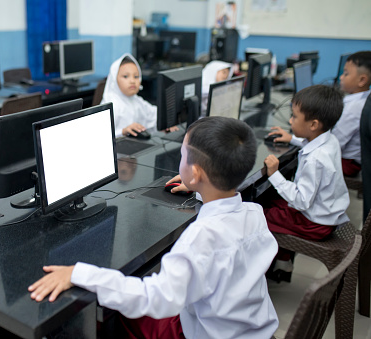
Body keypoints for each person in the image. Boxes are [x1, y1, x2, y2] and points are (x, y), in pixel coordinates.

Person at [28, 116, 279, 339]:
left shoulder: (201, 239)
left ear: (196, 172)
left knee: (120, 316)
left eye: (183, 156)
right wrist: (200, 187)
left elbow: (155, 298)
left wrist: (78, 274)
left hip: (206, 332)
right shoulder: (253, 213)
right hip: (251, 329)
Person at [263, 85, 350, 281]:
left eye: (294, 117)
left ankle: (260, 271)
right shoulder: (329, 139)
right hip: (324, 213)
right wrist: (292, 138)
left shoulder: (316, 159)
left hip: (313, 223)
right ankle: (283, 262)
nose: (290, 120)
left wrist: (275, 174)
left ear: (313, 124)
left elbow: (301, 202)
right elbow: (311, 142)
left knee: (258, 214)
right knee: (273, 200)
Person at [332, 51, 371, 176]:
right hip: (354, 161)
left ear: (362, 80)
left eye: (346, 74)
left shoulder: (353, 108)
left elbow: (332, 145)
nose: (341, 77)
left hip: (347, 164)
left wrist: (294, 139)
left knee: (305, 157)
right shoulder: (363, 100)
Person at [101, 53, 157, 138]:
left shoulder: (137, 100)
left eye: (136, 76)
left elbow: (154, 116)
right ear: (114, 80)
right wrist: (122, 132)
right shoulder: (111, 105)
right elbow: (102, 136)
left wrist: (165, 125)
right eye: (126, 76)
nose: (132, 81)